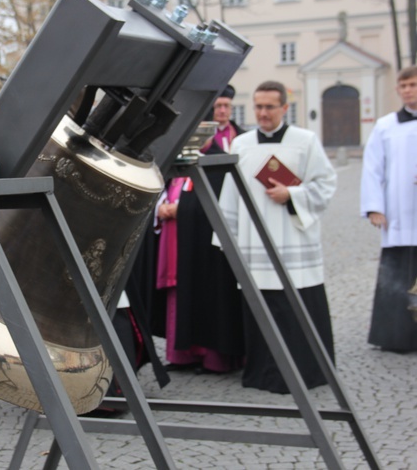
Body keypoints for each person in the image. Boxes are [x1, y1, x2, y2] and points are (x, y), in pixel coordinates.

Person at [215, 80, 337, 394]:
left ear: (285, 107)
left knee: (297, 307)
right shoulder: (241, 145)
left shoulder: (305, 141)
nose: (263, 113)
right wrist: (225, 239)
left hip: (294, 241)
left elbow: (325, 184)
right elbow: (229, 195)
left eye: (270, 107)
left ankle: (308, 372)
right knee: (262, 309)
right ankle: (262, 374)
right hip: (256, 243)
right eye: (258, 106)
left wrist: (292, 193)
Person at [171, 87, 245, 374]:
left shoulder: (219, 159)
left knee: (216, 297)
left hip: (214, 244)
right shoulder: (189, 160)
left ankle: (218, 357)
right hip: (189, 241)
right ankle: (193, 353)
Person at [361, 65, 417, 352]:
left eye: (413, 84)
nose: (408, 90)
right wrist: (374, 207)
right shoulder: (385, 126)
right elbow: (372, 169)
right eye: (403, 85)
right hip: (398, 215)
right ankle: (395, 335)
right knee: (396, 275)